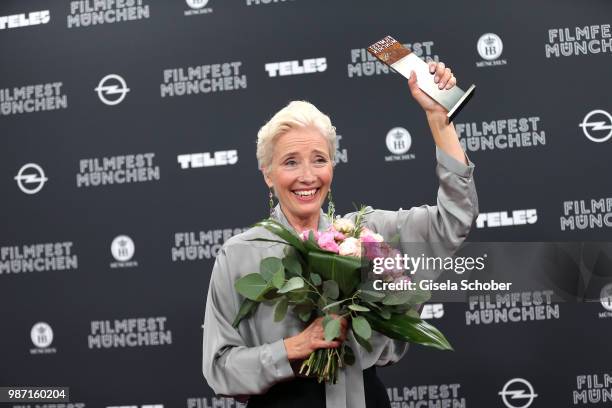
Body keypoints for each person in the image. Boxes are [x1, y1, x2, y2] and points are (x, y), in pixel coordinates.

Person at [202, 62, 479, 408]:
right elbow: (219, 367)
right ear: (267, 175)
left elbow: (454, 219)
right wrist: (291, 349)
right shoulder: (239, 255)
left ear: (332, 166)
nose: (307, 175)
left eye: (319, 159)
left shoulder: (369, 233)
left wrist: (439, 120)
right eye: (290, 162)